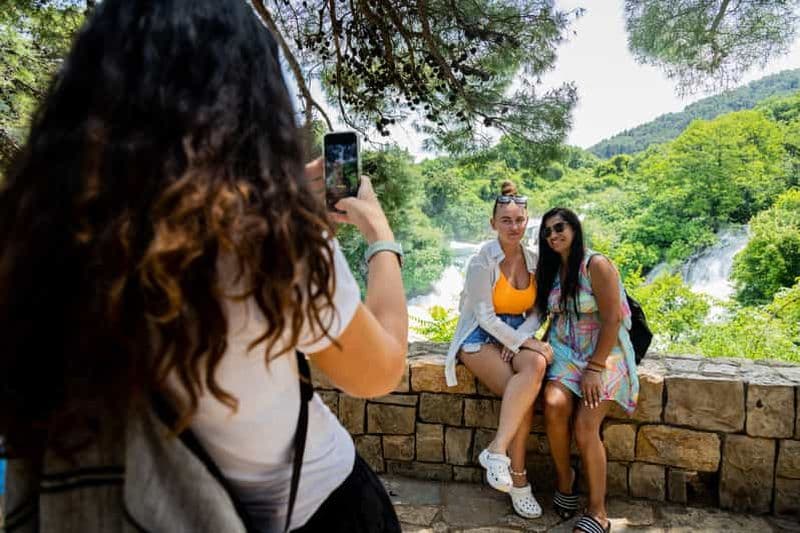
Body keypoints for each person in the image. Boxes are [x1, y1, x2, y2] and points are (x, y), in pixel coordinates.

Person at [0, 1, 407, 532]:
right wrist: (380, 237)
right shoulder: (275, 248)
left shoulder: (43, 244)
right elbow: (380, 371)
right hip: (315, 511)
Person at [445, 180, 553, 519]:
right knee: (518, 394)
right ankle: (519, 482)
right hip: (479, 336)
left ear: (527, 220)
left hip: (513, 330)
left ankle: (495, 451)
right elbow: (484, 317)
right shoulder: (481, 261)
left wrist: (520, 338)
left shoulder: (535, 260)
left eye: (519, 220)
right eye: (506, 220)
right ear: (493, 224)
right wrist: (519, 342)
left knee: (534, 365)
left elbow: (537, 311)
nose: (514, 227)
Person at [535, 208, 639, 533]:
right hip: (566, 349)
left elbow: (612, 319)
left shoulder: (596, 265)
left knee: (584, 426)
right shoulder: (553, 269)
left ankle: (598, 512)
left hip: (604, 352)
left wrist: (594, 368)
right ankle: (566, 479)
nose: (554, 235)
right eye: (548, 232)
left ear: (575, 228)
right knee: (553, 405)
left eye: (559, 227)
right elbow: (548, 317)